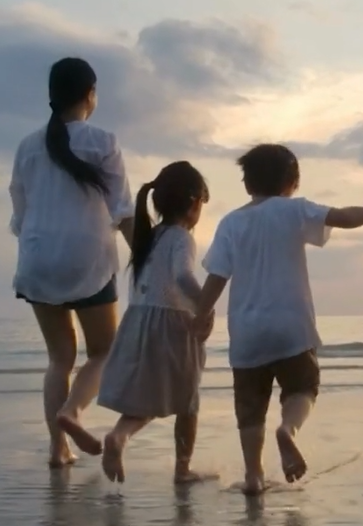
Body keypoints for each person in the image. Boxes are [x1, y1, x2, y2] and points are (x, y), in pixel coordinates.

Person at [191, 144, 363, 496]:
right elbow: (341, 216)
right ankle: (288, 431)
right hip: (291, 328)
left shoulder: (231, 222)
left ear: (247, 184)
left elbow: (216, 277)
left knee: (250, 409)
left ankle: (253, 476)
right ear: (292, 182)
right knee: (302, 387)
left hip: (247, 334)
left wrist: (199, 316)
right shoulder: (295, 211)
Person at [9, 57, 134, 467]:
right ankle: (72, 412)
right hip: (87, 259)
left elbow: (20, 213)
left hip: (37, 261)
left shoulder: (27, 146)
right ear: (90, 94)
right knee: (104, 352)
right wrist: (148, 260)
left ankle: (57, 449)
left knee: (59, 359)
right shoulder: (103, 141)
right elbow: (122, 210)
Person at [95, 161, 217, 485]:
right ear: (194, 202)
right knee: (187, 400)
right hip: (172, 325)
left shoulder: (149, 236)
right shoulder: (181, 237)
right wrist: (205, 306)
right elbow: (181, 276)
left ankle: (120, 436)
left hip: (138, 323)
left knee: (148, 396)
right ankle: (183, 469)